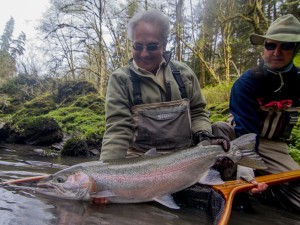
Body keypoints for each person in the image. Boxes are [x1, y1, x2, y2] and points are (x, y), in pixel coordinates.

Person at [100, 9, 229, 162]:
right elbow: (117, 131)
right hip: (139, 161)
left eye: (152, 46)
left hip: (185, 157)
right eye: (138, 46)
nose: (144, 53)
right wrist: (105, 169)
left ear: (164, 44)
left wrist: (203, 134)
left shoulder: (184, 73)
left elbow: (197, 112)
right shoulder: (120, 79)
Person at [229, 14, 300, 212]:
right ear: (264, 47)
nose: (276, 52)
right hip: (240, 138)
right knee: (218, 130)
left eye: (285, 46)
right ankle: (237, 185)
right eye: (270, 45)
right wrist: (246, 171)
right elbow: (245, 131)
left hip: (276, 147)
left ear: (296, 49)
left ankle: (270, 190)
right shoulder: (247, 83)